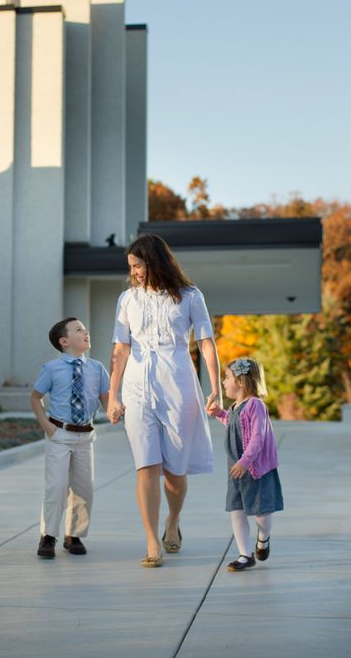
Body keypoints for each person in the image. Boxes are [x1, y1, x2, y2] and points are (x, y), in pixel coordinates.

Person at [108, 233, 221, 567]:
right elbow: (120, 348)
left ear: (153, 261)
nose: (134, 272)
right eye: (131, 267)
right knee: (147, 464)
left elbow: (206, 343)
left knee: (174, 470)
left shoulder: (189, 296)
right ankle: (151, 540)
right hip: (137, 386)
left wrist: (214, 388)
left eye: (138, 265)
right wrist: (113, 396)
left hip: (178, 382)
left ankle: (172, 520)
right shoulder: (127, 299)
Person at [31, 318, 109, 559]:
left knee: (84, 488)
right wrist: (47, 426)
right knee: (56, 487)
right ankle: (48, 535)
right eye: (78, 330)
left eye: (85, 329)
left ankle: (73, 535)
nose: (85, 332)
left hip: (85, 436)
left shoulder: (97, 368)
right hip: (59, 434)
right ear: (64, 342)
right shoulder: (52, 368)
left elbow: (108, 401)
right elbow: (36, 397)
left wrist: (118, 409)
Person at [207, 357, 283, 572]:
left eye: (227, 377)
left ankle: (264, 537)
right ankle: (244, 554)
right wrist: (219, 414)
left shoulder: (256, 405)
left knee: (261, 512)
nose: (223, 382)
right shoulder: (234, 407)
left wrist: (245, 462)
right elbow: (233, 427)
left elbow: (257, 438)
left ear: (240, 382)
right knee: (236, 510)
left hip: (254, 468)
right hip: (236, 469)